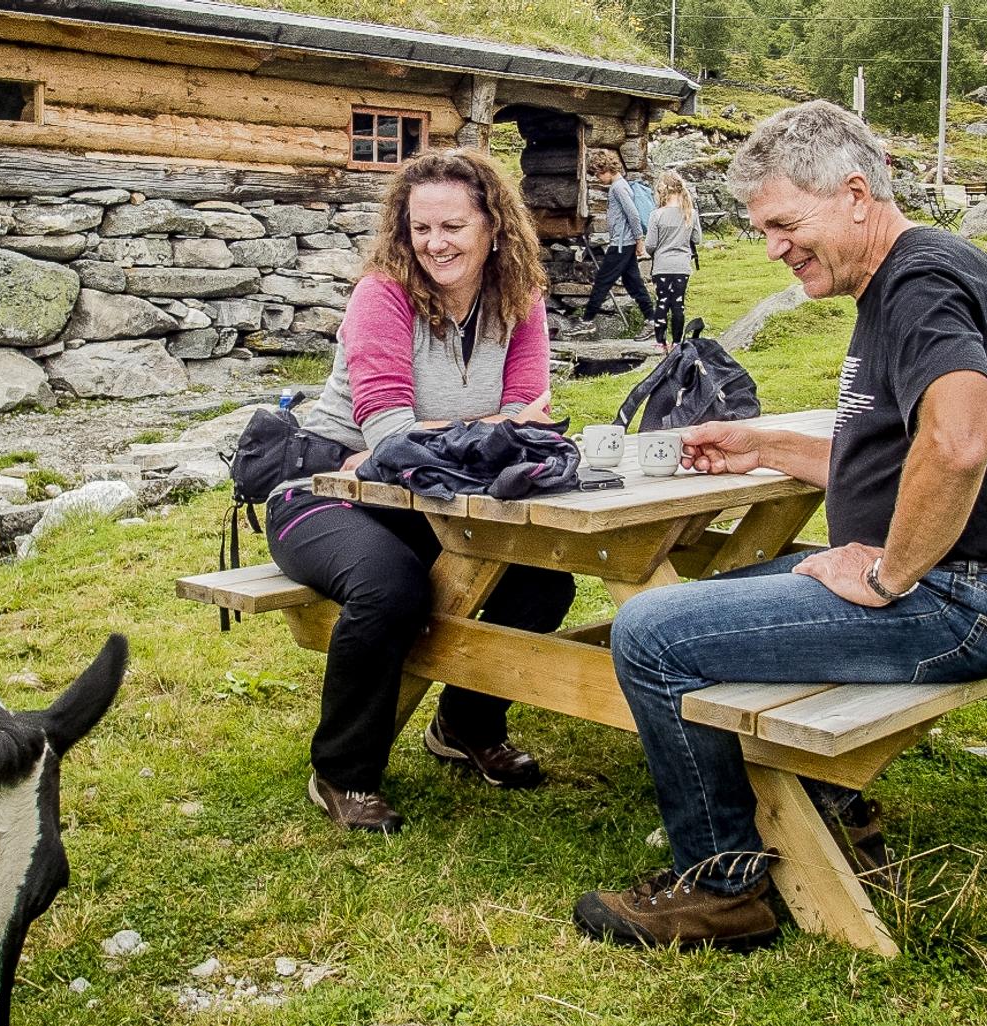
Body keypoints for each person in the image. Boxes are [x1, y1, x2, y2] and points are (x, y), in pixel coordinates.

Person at [573, 101, 987, 952]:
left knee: (649, 633)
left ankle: (721, 891)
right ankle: (835, 811)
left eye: (785, 224)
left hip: (959, 600)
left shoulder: (919, 281)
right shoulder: (906, 277)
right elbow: (894, 461)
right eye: (763, 230)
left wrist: (888, 573)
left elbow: (961, 438)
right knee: (707, 605)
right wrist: (765, 443)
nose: (775, 248)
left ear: (856, 194)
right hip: (970, 586)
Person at [265, 148, 573, 835]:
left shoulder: (520, 298)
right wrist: (494, 427)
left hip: (430, 499)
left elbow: (530, 420)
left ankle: (464, 726)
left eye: (453, 227)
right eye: (420, 228)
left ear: (494, 226)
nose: (435, 243)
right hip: (322, 493)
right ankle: (342, 772)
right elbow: (394, 433)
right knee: (390, 585)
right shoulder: (382, 295)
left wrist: (492, 430)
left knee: (540, 581)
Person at [566, 152, 658, 340]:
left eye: (599, 174)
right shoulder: (620, 186)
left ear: (606, 170)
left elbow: (632, 215)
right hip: (624, 243)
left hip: (622, 244)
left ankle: (588, 321)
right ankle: (652, 319)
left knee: (602, 281)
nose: (599, 179)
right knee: (634, 283)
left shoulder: (618, 188)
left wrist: (639, 239)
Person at [642, 171, 702, 351]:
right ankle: (677, 342)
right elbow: (697, 239)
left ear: (662, 191)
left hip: (662, 265)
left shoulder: (657, 215)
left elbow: (650, 244)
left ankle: (661, 342)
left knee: (662, 302)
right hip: (682, 266)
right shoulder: (691, 213)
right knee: (678, 304)